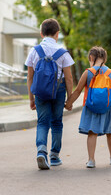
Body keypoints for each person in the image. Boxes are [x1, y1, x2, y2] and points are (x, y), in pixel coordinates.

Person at [25, 18, 74, 170]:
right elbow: (69, 78)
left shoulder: (34, 51)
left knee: (42, 122)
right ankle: (54, 156)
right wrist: (70, 99)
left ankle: (41, 150)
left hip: (40, 91)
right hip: (58, 91)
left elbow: (30, 76)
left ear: (41, 34)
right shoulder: (63, 53)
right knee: (57, 122)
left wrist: (31, 98)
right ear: (57, 34)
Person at [65, 46, 111, 168]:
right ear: (105, 59)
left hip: (91, 107)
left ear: (91, 58)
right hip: (108, 108)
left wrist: (68, 103)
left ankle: (91, 160)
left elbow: (77, 91)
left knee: (92, 133)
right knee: (110, 132)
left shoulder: (88, 72)